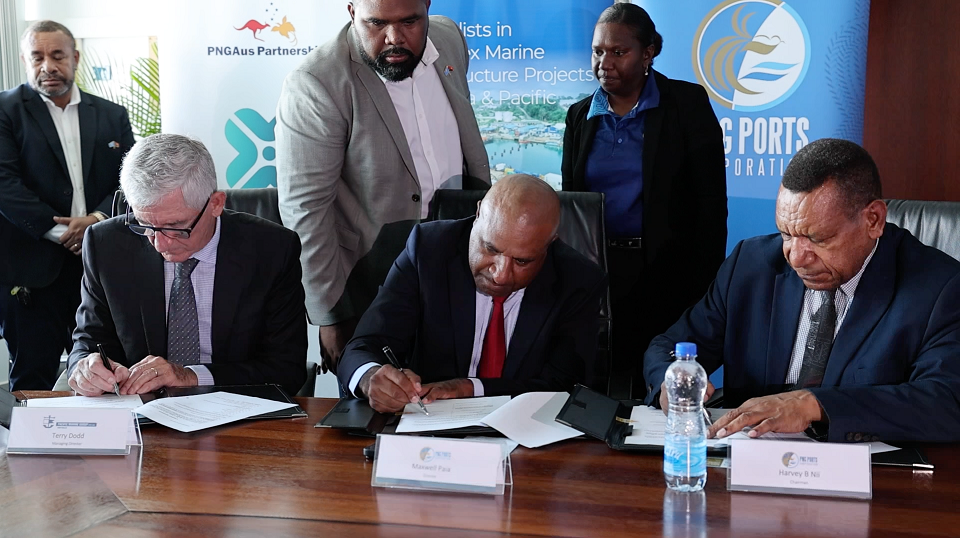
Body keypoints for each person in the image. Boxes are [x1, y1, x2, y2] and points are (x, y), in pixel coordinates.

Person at [644, 138, 960, 443]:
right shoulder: (751, 266)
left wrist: (814, 405)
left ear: (873, 220)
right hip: (748, 464)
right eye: (786, 234)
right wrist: (671, 379)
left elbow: (945, 402)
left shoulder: (939, 289)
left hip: (873, 482)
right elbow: (671, 346)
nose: (796, 257)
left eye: (818, 239)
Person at [276, 0, 490, 378]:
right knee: (380, 412)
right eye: (376, 23)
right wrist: (331, 316)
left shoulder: (449, 39)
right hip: (374, 283)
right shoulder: (318, 81)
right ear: (351, 11)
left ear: (427, 7)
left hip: (462, 269)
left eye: (410, 21)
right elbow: (306, 211)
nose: (394, 38)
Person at [561, 4, 727, 399]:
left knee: (655, 381)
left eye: (619, 52)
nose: (605, 62)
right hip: (596, 275)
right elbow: (571, 206)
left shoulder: (686, 105)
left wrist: (705, 287)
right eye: (598, 51)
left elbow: (710, 205)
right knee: (597, 379)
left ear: (648, 53)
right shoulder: (579, 116)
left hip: (667, 274)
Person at [338, 174, 606, 413]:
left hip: (527, 440)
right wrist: (370, 376)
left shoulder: (578, 280)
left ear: (550, 244)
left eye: (522, 261)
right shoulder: (428, 251)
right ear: (478, 215)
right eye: (490, 248)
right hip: (427, 435)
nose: (501, 274)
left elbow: (567, 386)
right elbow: (363, 347)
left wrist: (470, 388)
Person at [67, 134, 307, 396]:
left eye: (175, 227)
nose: (159, 244)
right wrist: (85, 366)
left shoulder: (272, 250)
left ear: (216, 204)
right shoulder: (106, 244)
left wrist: (189, 376)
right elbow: (89, 340)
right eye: (145, 226)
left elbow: (286, 369)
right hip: (141, 414)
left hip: (233, 412)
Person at [0, 20, 135, 390]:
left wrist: (95, 220)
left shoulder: (112, 115)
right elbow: (4, 185)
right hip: (31, 273)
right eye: (37, 57)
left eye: (57, 55)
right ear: (26, 61)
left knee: (107, 376)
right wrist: (65, 232)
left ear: (75, 57)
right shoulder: (5, 111)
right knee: (33, 379)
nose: (48, 66)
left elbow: (131, 180)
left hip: (100, 268)